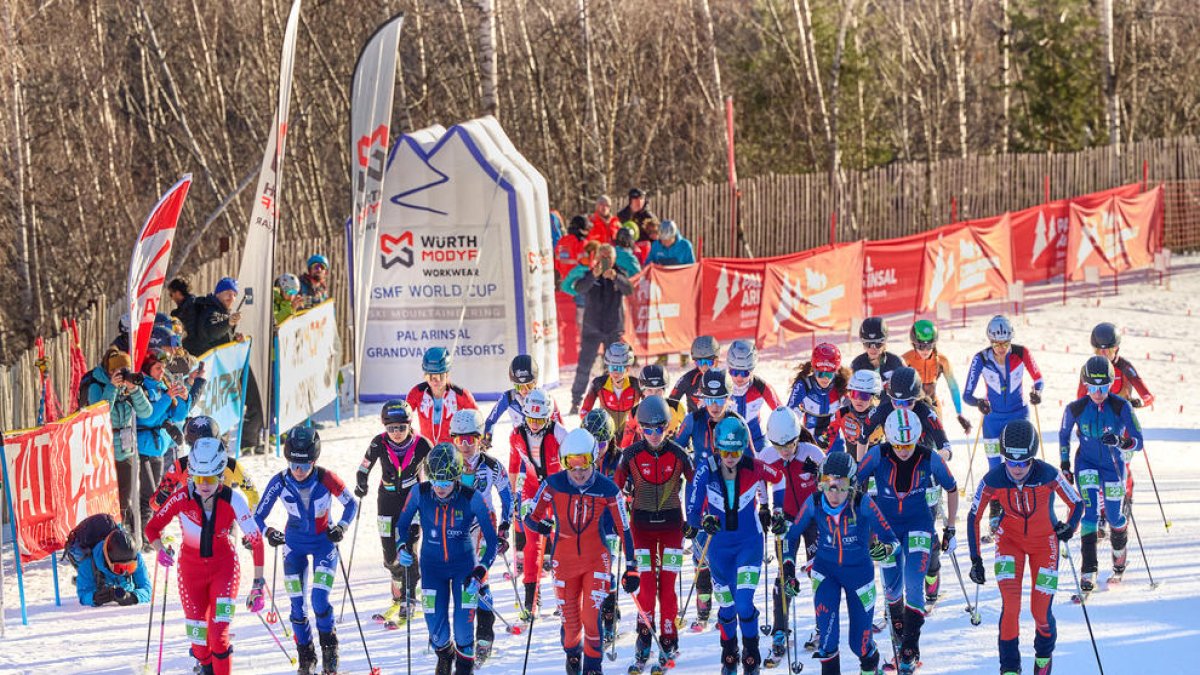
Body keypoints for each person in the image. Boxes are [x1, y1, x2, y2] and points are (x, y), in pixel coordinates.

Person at [968, 420, 1083, 675]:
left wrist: (1069, 527)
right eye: (1011, 462)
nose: (1017, 469)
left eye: (1023, 463)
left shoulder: (1049, 474)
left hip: (1045, 546)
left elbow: (1077, 503)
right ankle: (1009, 668)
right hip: (1009, 543)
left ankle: (1043, 656)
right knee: (1010, 606)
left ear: (1033, 460)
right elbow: (973, 516)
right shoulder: (993, 479)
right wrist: (976, 559)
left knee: (1039, 611)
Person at [144, 438, 265, 675]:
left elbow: (257, 541)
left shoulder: (233, 499)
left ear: (220, 475)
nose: (204, 484)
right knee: (200, 644)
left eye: (210, 478)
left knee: (218, 636)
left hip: (224, 569)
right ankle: (205, 667)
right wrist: (160, 549)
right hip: (190, 573)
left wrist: (258, 584)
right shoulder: (181, 498)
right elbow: (152, 528)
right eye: (198, 478)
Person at [525, 428, 638, 675]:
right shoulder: (552, 483)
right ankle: (573, 656)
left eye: (584, 465)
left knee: (591, 617)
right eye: (571, 466)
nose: (578, 473)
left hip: (596, 559)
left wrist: (632, 567)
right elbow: (529, 518)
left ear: (594, 459)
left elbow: (624, 529)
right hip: (563, 562)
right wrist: (540, 525)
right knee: (571, 624)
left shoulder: (607, 488)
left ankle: (594, 667)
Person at [856, 410, 959, 673]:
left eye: (909, 445)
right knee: (891, 589)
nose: (903, 450)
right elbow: (854, 485)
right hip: (885, 529)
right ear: (890, 439)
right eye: (899, 445)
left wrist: (950, 527)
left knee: (914, 583)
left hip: (918, 526)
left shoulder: (929, 456)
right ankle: (900, 639)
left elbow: (952, 488)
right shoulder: (877, 454)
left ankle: (910, 647)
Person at [780, 451, 898, 675]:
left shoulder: (864, 504)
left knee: (859, 645)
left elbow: (892, 539)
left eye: (841, 485)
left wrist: (885, 550)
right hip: (826, 573)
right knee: (827, 640)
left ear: (852, 485)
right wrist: (788, 569)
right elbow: (790, 536)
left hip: (860, 575)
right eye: (827, 484)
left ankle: (871, 665)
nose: (833, 492)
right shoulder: (814, 502)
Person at [255, 428, 358, 675]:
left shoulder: (326, 478)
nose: (298, 470)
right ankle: (306, 656)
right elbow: (258, 515)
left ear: (315, 460)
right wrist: (268, 532)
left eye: (305, 464)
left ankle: (330, 649)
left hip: (324, 544)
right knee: (297, 606)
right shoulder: (280, 481)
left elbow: (351, 503)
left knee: (319, 600)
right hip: (294, 546)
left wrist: (342, 527)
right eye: (293, 464)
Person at [685, 415, 783, 675]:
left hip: (749, 545)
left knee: (743, 603)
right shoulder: (706, 468)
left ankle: (751, 654)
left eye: (736, 451)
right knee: (727, 607)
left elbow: (780, 475)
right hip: (718, 549)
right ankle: (729, 655)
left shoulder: (753, 465)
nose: (731, 457)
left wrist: (774, 508)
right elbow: (693, 505)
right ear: (717, 448)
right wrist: (700, 521)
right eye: (726, 451)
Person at [395, 442, 498, 675]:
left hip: (464, 570)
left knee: (463, 630)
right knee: (436, 631)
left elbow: (491, 542)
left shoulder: (472, 498)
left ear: (457, 478)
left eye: (446, 482)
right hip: (432, 569)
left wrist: (481, 570)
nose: (440, 488)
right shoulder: (419, 493)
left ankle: (464, 668)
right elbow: (401, 525)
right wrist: (402, 546)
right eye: (435, 481)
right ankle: (444, 654)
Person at [613, 396, 695, 671]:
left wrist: (694, 519)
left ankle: (669, 636)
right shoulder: (631, 454)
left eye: (659, 429)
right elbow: (614, 491)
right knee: (646, 586)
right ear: (639, 429)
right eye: (647, 430)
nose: (654, 435)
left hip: (672, 527)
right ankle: (645, 635)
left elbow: (698, 488)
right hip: (641, 529)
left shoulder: (680, 454)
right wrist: (615, 521)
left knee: (668, 586)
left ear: (668, 427)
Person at [1059, 355, 1144, 591]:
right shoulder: (1075, 408)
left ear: (1111, 384)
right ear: (1085, 385)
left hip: (1113, 466)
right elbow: (1063, 435)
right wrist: (1065, 464)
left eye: (1104, 386)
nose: (1098, 392)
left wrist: (1120, 441)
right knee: (1090, 514)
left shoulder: (1120, 406)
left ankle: (1119, 557)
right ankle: (1089, 571)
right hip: (1086, 463)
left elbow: (1139, 441)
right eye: (1093, 386)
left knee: (1116, 516)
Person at [962, 315, 1045, 539]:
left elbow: (1038, 379)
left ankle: (1029, 510)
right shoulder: (980, 359)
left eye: (1005, 343)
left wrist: (1037, 392)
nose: (1001, 349)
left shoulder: (1022, 353)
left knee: (1024, 464)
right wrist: (979, 402)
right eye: (997, 344)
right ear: (990, 342)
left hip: (1019, 416)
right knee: (995, 468)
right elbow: (967, 395)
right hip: (993, 421)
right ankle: (996, 516)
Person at [355, 399, 433, 626]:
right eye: (391, 428)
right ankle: (398, 585)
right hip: (387, 499)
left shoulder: (421, 444)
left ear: (409, 425)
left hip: (412, 500)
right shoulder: (378, 443)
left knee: (409, 546)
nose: (396, 433)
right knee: (389, 553)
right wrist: (361, 482)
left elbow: (438, 466)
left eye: (401, 427)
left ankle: (410, 597)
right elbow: (364, 466)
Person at [757, 406, 825, 666]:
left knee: (817, 573)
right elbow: (758, 479)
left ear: (798, 436)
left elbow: (832, 479)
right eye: (779, 445)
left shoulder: (812, 453)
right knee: (785, 575)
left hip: (812, 521)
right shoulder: (766, 456)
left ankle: (822, 626)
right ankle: (779, 630)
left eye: (790, 444)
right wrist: (764, 506)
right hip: (785, 522)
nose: (785, 450)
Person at [674, 368, 737, 630]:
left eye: (719, 399)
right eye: (709, 399)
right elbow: (675, 451)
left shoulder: (735, 421)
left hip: (725, 494)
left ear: (728, 398)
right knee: (699, 551)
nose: (714, 405)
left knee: (723, 551)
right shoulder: (693, 420)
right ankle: (703, 607)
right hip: (697, 493)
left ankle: (727, 608)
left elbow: (751, 459)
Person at [449, 408, 513, 665]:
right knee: (461, 580)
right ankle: (461, 636)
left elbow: (507, 496)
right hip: (458, 527)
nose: (465, 445)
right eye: (459, 439)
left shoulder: (492, 465)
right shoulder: (448, 464)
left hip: (485, 526)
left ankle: (485, 633)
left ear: (480, 438)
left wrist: (505, 527)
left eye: (471, 439)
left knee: (478, 575)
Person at [1079, 322, 1154, 538]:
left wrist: (1139, 402)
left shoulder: (1125, 368)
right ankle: (1103, 514)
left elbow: (1149, 395)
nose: (1103, 354)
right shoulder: (1091, 368)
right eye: (1098, 350)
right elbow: (1079, 398)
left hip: (1122, 431)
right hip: (1098, 429)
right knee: (1098, 468)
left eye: (1108, 350)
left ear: (1116, 349)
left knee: (1121, 467)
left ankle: (1126, 499)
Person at [507, 388, 568, 616]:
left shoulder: (559, 432)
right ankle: (531, 602)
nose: (534, 424)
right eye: (530, 419)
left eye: (539, 419)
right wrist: (513, 497)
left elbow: (575, 460)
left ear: (548, 417)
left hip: (557, 492)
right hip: (532, 491)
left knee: (561, 543)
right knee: (532, 544)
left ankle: (565, 599)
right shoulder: (516, 435)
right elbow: (514, 466)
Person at [87, 347, 152, 546]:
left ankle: (121, 539)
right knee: (105, 501)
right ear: (110, 371)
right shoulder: (96, 386)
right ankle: (103, 540)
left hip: (125, 451)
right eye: (119, 370)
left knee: (124, 500)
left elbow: (146, 413)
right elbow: (100, 412)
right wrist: (113, 388)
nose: (123, 374)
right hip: (104, 452)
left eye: (126, 369)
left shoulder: (128, 386)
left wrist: (134, 389)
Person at [569, 244, 635, 414]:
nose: (605, 260)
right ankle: (576, 401)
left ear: (614, 259)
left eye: (609, 257)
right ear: (597, 258)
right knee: (584, 365)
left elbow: (629, 289)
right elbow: (578, 288)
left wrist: (615, 278)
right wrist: (593, 275)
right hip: (592, 327)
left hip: (613, 327)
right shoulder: (589, 273)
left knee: (613, 367)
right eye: (602, 257)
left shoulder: (619, 273)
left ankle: (611, 401)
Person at [135, 350, 192, 547]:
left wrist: (184, 398)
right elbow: (147, 417)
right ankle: (144, 534)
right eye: (158, 368)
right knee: (149, 494)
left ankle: (152, 532)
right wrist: (167, 397)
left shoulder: (162, 386)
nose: (162, 371)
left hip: (160, 447)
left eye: (163, 368)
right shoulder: (142, 388)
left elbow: (177, 416)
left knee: (159, 495)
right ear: (148, 369)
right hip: (143, 448)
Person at [150, 416, 260, 514]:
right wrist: (162, 497)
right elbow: (154, 505)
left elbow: (253, 496)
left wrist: (248, 523)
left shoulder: (230, 464)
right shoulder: (181, 465)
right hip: (193, 525)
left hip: (221, 525)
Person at [902, 319, 971, 433]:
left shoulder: (942, 361)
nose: (925, 350)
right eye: (920, 346)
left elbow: (953, 387)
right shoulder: (906, 360)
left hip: (933, 404)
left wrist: (959, 413)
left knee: (937, 443)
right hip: (911, 406)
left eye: (929, 346)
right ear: (913, 343)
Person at [67, 515, 152, 608]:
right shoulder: (87, 562)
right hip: (87, 563)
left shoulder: (135, 556)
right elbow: (83, 596)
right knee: (92, 582)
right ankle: (84, 579)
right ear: (107, 560)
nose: (125, 572)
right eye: (120, 568)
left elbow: (147, 589)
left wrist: (133, 597)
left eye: (130, 567)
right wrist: (95, 597)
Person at [482, 354, 561, 444]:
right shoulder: (508, 397)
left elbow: (559, 427)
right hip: (521, 447)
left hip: (544, 446)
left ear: (536, 382)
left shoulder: (546, 399)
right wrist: (486, 438)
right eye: (518, 386)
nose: (524, 390)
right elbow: (491, 421)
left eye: (529, 385)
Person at [406, 346, 478, 445]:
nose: (437, 381)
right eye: (431, 376)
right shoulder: (417, 393)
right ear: (425, 376)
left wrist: (480, 440)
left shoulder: (461, 395)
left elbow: (477, 420)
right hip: (426, 448)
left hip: (453, 449)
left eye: (441, 376)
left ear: (447, 374)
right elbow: (404, 416)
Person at [786, 342, 850, 450]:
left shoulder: (840, 385)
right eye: (820, 373)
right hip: (809, 441)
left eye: (829, 374)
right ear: (814, 370)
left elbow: (853, 407)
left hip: (833, 442)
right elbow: (790, 412)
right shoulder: (804, 385)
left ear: (836, 372)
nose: (825, 379)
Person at [580, 341, 644, 445]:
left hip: (631, 438)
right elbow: (584, 411)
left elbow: (650, 406)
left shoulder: (637, 385)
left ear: (627, 368)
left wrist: (641, 426)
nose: (615, 372)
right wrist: (592, 425)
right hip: (606, 439)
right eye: (612, 367)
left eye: (619, 368)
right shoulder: (598, 383)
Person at [724, 339, 782, 452]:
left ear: (752, 369)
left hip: (757, 440)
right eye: (734, 372)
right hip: (730, 440)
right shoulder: (722, 386)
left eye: (745, 373)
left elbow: (781, 411)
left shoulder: (761, 387)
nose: (739, 377)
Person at [619, 364, 687, 447]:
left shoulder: (677, 407)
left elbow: (689, 437)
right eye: (649, 390)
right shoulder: (634, 412)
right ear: (643, 391)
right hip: (645, 458)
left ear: (664, 390)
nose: (654, 394)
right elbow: (625, 444)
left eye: (658, 390)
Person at [825, 369, 883, 455]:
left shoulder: (881, 414)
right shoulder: (842, 413)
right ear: (849, 395)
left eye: (864, 396)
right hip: (852, 460)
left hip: (876, 459)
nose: (858, 400)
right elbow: (829, 435)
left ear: (874, 397)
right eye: (855, 394)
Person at [185, 277, 242, 357]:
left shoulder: (222, 312)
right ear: (218, 294)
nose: (231, 298)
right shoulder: (210, 310)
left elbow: (219, 337)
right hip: (202, 363)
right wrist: (228, 323)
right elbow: (211, 332)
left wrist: (234, 338)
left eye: (234, 295)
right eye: (228, 293)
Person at [670, 335, 721, 412]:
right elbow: (671, 402)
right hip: (695, 422)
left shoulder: (725, 379)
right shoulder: (689, 379)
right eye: (699, 362)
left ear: (716, 360)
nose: (704, 367)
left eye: (709, 362)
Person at [850, 317, 905, 383]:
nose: (873, 348)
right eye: (868, 344)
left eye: (878, 344)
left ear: (885, 343)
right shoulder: (857, 364)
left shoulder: (895, 362)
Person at [555, 215, 595, 282]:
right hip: (578, 282)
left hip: (564, 282)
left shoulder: (562, 241)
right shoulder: (582, 243)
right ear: (581, 230)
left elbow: (557, 264)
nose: (588, 231)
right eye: (587, 229)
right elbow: (587, 264)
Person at [168, 277, 198, 343]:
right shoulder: (189, 304)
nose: (172, 298)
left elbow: (191, 332)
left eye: (171, 294)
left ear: (178, 293)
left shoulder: (191, 306)